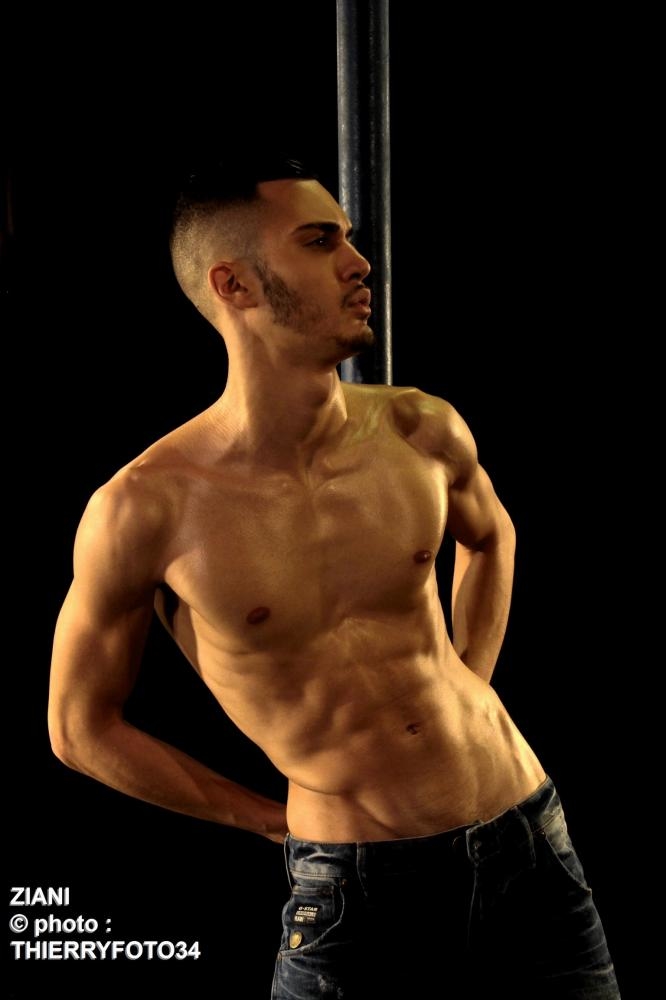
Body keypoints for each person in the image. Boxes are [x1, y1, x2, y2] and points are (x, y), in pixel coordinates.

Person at [48, 151, 621, 999]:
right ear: (235, 284)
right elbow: (78, 728)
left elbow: (491, 537)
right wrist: (265, 820)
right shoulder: (147, 508)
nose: (359, 263)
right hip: (357, 890)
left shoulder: (420, 427)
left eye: (349, 238)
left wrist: (469, 688)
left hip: (527, 836)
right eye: (320, 242)